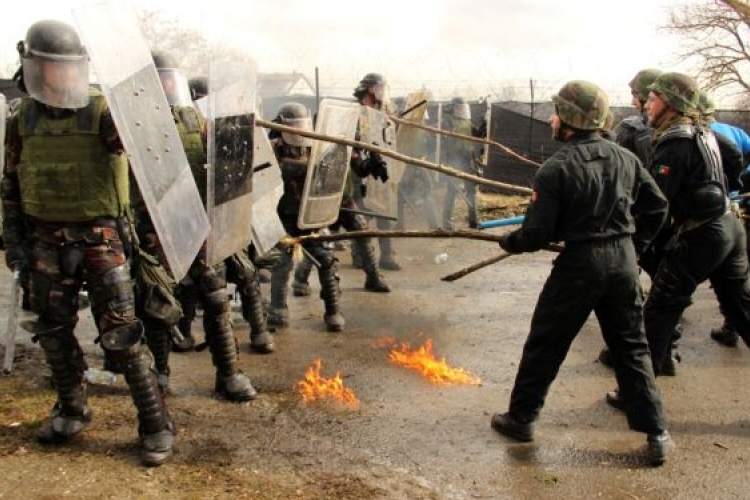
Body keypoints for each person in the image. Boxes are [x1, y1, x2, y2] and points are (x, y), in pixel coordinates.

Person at [2, 20, 174, 465]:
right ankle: (72, 409)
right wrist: (13, 239)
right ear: (32, 66)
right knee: (55, 333)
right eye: (47, 66)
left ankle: (155, 424)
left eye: (64, 67)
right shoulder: (21, 118)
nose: (57, 75)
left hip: (101, 242)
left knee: (121, 336)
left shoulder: (101, 112)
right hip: (44, 243)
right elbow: (10, 183)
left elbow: (151, 150)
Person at [490, 80, 673, 466]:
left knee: (547, 342)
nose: (553, 120)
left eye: (557, 113)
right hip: (622, 263)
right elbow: (657, 207)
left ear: (570, 121)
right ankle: (657, 434)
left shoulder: (555, 168)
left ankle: (521, 419)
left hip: (580, 266)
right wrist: (633, 248)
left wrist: (510, 242)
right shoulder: (625, 158)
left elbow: (538, 233)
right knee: (632, 347)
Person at [607, 72, 750, 408]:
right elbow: (733, 160)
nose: (647, 105)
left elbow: (656, 203)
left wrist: (632, 240)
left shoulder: (675, 141)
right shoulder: (705, 132)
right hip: (729, 226)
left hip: (701, 235)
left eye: (653, 99)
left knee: (657, 312)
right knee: (741, 308)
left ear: (669, 105)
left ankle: (636, 395)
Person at [151, 50, 258, 398]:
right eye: (161, 78)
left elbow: (219, 162)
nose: (168, 84)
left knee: (215, 296)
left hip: (193, 221)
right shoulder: (132, 120)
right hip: (150, 228)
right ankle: (160, 372)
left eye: (171, 77)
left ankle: (228, 374)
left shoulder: (194, 118)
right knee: (156, 302)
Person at [267, 102, 345, 332]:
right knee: (281, 264)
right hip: (283, 218)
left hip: (311, 218)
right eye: (292, 127)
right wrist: (284, 169)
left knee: (326, 261)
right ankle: (278, 310)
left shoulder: (317, 148)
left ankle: (333, 311)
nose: (297, 132)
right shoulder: (270, 148)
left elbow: (329, 178)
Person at [699, 91, 750, 347]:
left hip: (711, 214)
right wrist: (738, 185)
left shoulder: (696, 136)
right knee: (735, 276)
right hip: (734, 210)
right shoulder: (733, 132)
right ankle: (732, 325)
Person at [350, 72, 401, 271]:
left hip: (379, 167)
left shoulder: (383, 113)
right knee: (360, 216)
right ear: (370, 89)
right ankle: (359, 255)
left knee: (384, 214)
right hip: (359, 170)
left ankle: (387, 256)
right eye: (379, 88)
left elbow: (388, 140)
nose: (382, 92)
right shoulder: (355, 112)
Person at [440, 97, 479, 229]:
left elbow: (477, 134)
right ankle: (446, 222)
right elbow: (446, 139)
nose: (462, 111)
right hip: (454, 158)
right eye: (459, 108)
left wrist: (486, 124)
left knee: (470, 190)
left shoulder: (466, 122)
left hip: (467, 159)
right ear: (453, 109)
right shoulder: (447, 121)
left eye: (464, 108)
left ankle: (473, 220)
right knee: (452, 190)